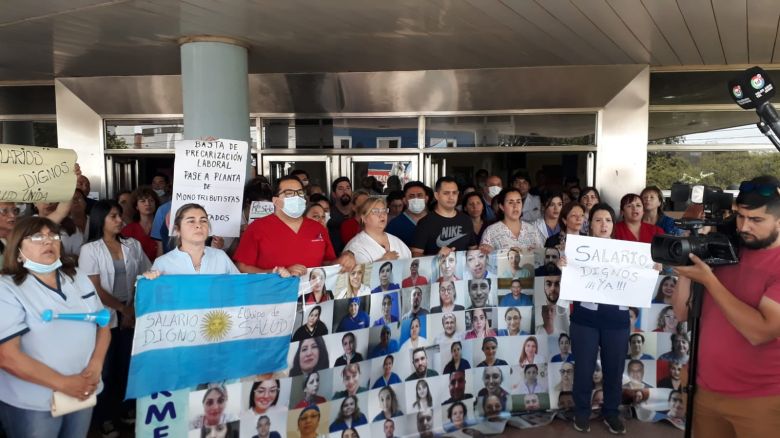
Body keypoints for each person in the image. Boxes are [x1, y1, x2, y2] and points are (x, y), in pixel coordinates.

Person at [0, 216, 110, 438]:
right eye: (37, 236)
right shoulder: (7, 289)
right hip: (34, 400)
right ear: (18, 249)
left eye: (53, 236)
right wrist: (63, 383)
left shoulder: (77, 277)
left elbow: (103, 325)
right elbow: (7, 356)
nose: (48, 241)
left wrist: (97, 365)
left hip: (82, 388)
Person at [78, 200, 151, 432]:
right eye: (113, 216)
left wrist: (132, 308)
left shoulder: (133, 245)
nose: (120, 220)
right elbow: (95, 288)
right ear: (101, 220)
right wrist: (122, 309)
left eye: (120, 215)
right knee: (106, 369)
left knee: (128, 365)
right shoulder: (90, 249)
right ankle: (105, 417)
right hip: (105, 317)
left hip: (131, 314)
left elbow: (146, 275)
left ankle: (126, 409)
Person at [565, 203, 631, 434]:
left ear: (614, 224)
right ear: (589, 224)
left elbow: (637, 279)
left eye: (608, 220)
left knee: (614, 370)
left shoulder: (627, 252)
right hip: (585, 320)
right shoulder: (578, 249)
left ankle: (611, 412)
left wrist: (651, 269)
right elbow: (570, 282)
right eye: (598, 220)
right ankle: (582, 412)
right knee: (583, 369)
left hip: (617, 320)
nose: (604, 225)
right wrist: (565, 266)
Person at [234, 176, 355, 275]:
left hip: (313, 299)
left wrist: (344, 259)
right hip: (274, 299)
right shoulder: (257, 228)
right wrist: (275, 273)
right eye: (289, 194)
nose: (296, 197)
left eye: (299, 193)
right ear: (276, 201)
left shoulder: (317, 228)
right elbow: (242, 267)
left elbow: (327, 263)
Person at [143, 204, 239, 276]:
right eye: (191, 221)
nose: (199, 225)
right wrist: (149, 282)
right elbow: (154, 297)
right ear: (177, 229)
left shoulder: (221, 257)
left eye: (203, 220)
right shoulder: (162, 264)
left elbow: (240, 288)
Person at [411, 176, 477, 256]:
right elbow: (415, 254)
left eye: (454, 193)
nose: (451, 197)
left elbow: (473, 249)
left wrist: (484, 250)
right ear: (437, 196)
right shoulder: (425, 223)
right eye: (446, 193)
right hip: (435, 268)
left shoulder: (466, 220)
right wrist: (436, 258)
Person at [344, 197, 411, 265]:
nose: (382, 215)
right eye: (376, 211)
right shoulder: (355, 246)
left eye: (384, 211)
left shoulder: (397, 241)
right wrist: (382, 261)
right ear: (364, 218)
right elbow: (358, 274)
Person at [480, 188, 545, 252]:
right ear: (502, 206)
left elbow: (541, 256)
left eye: (518, 202)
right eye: (511, 202)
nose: (515, 206)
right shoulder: (490, 232)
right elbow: (482, 258)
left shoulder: (533, 230)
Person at [121, 186, 160, 262]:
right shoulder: (128, 229)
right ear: (136, 206)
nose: (147, 203)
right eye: (143, 201)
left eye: (151, 200)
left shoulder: (162, 227)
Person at [386, 181, 429, 248]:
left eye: (420, 195)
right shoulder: (394, 225)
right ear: (405, 200)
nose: (416, 199)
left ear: (426, 199)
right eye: (411, 196)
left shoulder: (436, 220)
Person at [60, 189, 89, 257]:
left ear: (85, 202)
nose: (76, 202)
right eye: (72, 199)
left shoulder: (95, 220)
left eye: (79, 198)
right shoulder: (62, 224)